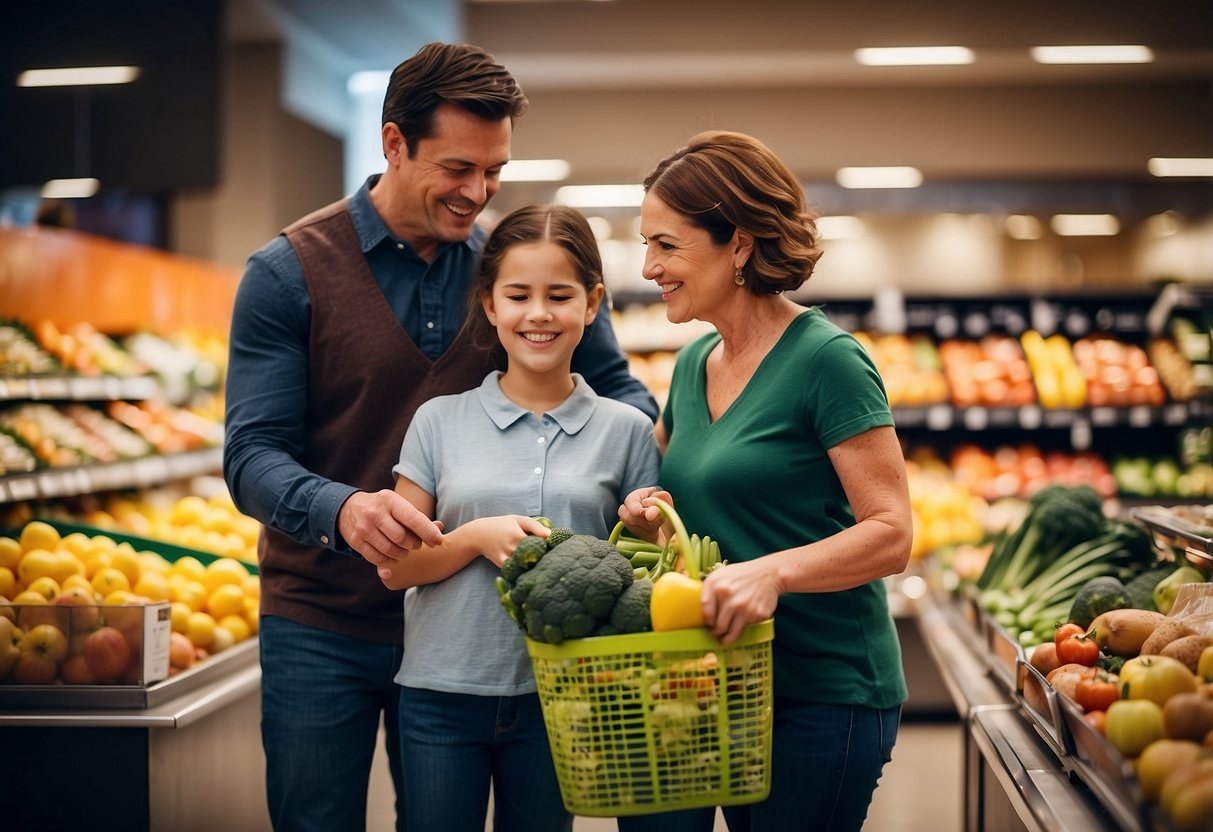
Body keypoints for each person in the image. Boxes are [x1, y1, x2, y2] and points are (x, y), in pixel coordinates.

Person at [222, 43, 658, 832]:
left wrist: (635, 477)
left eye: (493, 170)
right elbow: (251, 455)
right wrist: (345, 510)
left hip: (477, 629)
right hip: (323, 620)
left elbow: (615, 388)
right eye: (459, 168)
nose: (478, 192)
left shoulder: (507, 267)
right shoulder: (288, 272)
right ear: (394, 144)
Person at [615, 130, 912, 832]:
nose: (649, 266)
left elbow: (891, 534)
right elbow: (683, 506)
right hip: (715, 684)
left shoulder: (827, 361)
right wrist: (648, 514)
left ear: (739, 243)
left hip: (823, 692)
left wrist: (770, 574)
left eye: (666, 244)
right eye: (645, 244)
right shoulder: (692, 366)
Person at [377, 203, 661, 832]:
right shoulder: (438, 421)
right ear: (489, 304)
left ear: (591, 305)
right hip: (440, 695)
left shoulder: (628, 430)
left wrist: (652, 527)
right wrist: (476, 538)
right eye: (518, 295)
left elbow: (653, 573)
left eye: (559, 296)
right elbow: (395, 569)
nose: (538, 314)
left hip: (564, 698)